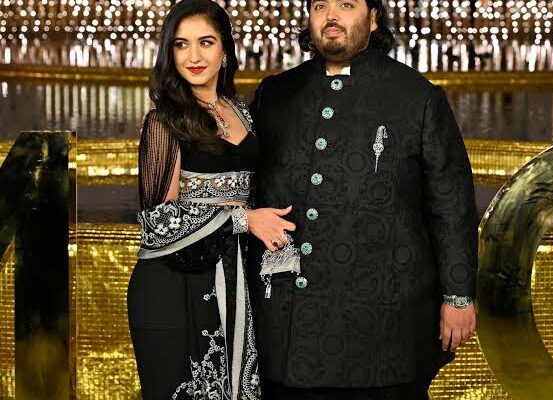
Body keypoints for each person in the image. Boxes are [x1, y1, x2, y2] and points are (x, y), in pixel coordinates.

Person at [248, 0, 478, 398]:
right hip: (288, 318)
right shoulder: (275, 94)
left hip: (387, 321)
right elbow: (243, 180)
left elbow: (451, 202)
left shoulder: (416, 96)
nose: (331, 16)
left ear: (373, 19)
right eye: (320, 6)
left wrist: (458, 296)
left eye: (346, 4)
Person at [126, 1, 293, 398]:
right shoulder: (163, 121)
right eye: (181, 45)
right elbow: (158, 223)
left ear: (225, 50)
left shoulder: (241, 112)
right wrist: (244, 220)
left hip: (233, 279)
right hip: (173, 288)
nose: (194, 56)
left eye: (205, 42)